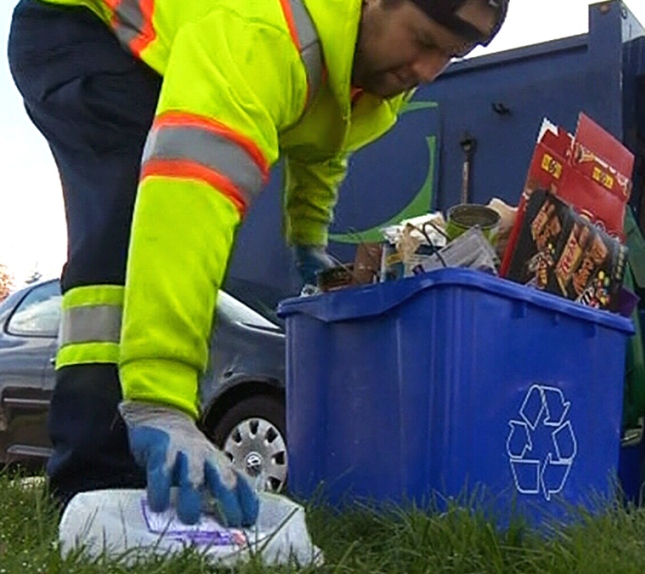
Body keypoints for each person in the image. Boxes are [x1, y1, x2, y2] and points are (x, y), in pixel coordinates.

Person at [7, 0, 507, 527]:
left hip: (157, 49)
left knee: (136, 227)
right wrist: (162, 399)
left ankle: (110, 465)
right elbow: (188, 195)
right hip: (81, 25)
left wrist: (307, 237)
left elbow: (326, 140)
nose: (428, 71)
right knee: (125, 220)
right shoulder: (267, 34)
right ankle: (92, 475)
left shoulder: (370, 68)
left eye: (451, 55)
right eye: (425, 41)